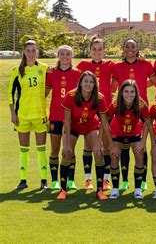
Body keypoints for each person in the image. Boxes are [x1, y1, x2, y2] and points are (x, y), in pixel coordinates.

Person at [57, 71, 112, 200]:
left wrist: (99, 142)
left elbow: (104, 121)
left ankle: (99, 190)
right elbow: (67, 121)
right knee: (66, 153)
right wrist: (67, 144)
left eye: (91, 82)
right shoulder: (71, 96)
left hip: (91, 126)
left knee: (99, 153)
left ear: (95, 84)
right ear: (80, 83)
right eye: (85, 81)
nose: (88, 84)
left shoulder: (99, 98)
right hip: (74, 126)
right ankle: (63, 190)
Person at [112, 38, 156, 191]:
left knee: (140, 147)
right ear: (123, 49)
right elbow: (112, 88)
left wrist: (143, 86)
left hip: (140, 108)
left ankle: (143, 180)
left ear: (137, 49)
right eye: (127, 46)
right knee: (124, 146)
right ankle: (124, 180)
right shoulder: (117, 67)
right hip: (123, 109)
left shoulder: (146, 64)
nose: (130, 49)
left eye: (133, 46)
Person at [8, 40, 49, 190]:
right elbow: (10, 95)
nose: (31, 53)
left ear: (37, 52)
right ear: (24, 52)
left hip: (39, 114)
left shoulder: (45, 69)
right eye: (28, 51)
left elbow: (51, 85)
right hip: (23, 115)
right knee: (24, 149)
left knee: (41, 148)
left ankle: (44, 180)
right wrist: (13, 114)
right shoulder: (17, 71)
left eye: (33, 50)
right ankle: (23, 180)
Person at [77, 37, 116, 190]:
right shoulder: (82, 65)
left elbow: (117, 80)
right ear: (90, 50)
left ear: (104, 50)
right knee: (89, 145)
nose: (97, 52)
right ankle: (88, 179)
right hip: (89, 110)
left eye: (100, 49)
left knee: (106, 145)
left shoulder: (110, 65)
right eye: (94, 49)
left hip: (105, 109)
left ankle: (106, 180)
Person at [107, 80, 152, 199]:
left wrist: (143, 142)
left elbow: (148, 123)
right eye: (126, 91)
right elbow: (105, 122)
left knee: (139, 154)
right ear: (121, 92)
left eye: (132, 91)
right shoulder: (116, 104)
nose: (129, 94)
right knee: (114, 155)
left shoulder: (141, 104)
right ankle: (115, 189)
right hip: (117, 132)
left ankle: (138, 190)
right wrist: (110, 144)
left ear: (136, 93)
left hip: (134, 132)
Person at [45, 45, 81, 190]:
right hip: (55, 116)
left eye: (68, 54)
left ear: (72, 56)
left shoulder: (78, 73)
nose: (65, 57)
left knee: (69, 150)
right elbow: (44, 94)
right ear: (58, 56)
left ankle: (71, 180)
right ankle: (54, 181)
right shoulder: (51, 72)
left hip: (72, 118)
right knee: (55, 149)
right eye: (62, 54)